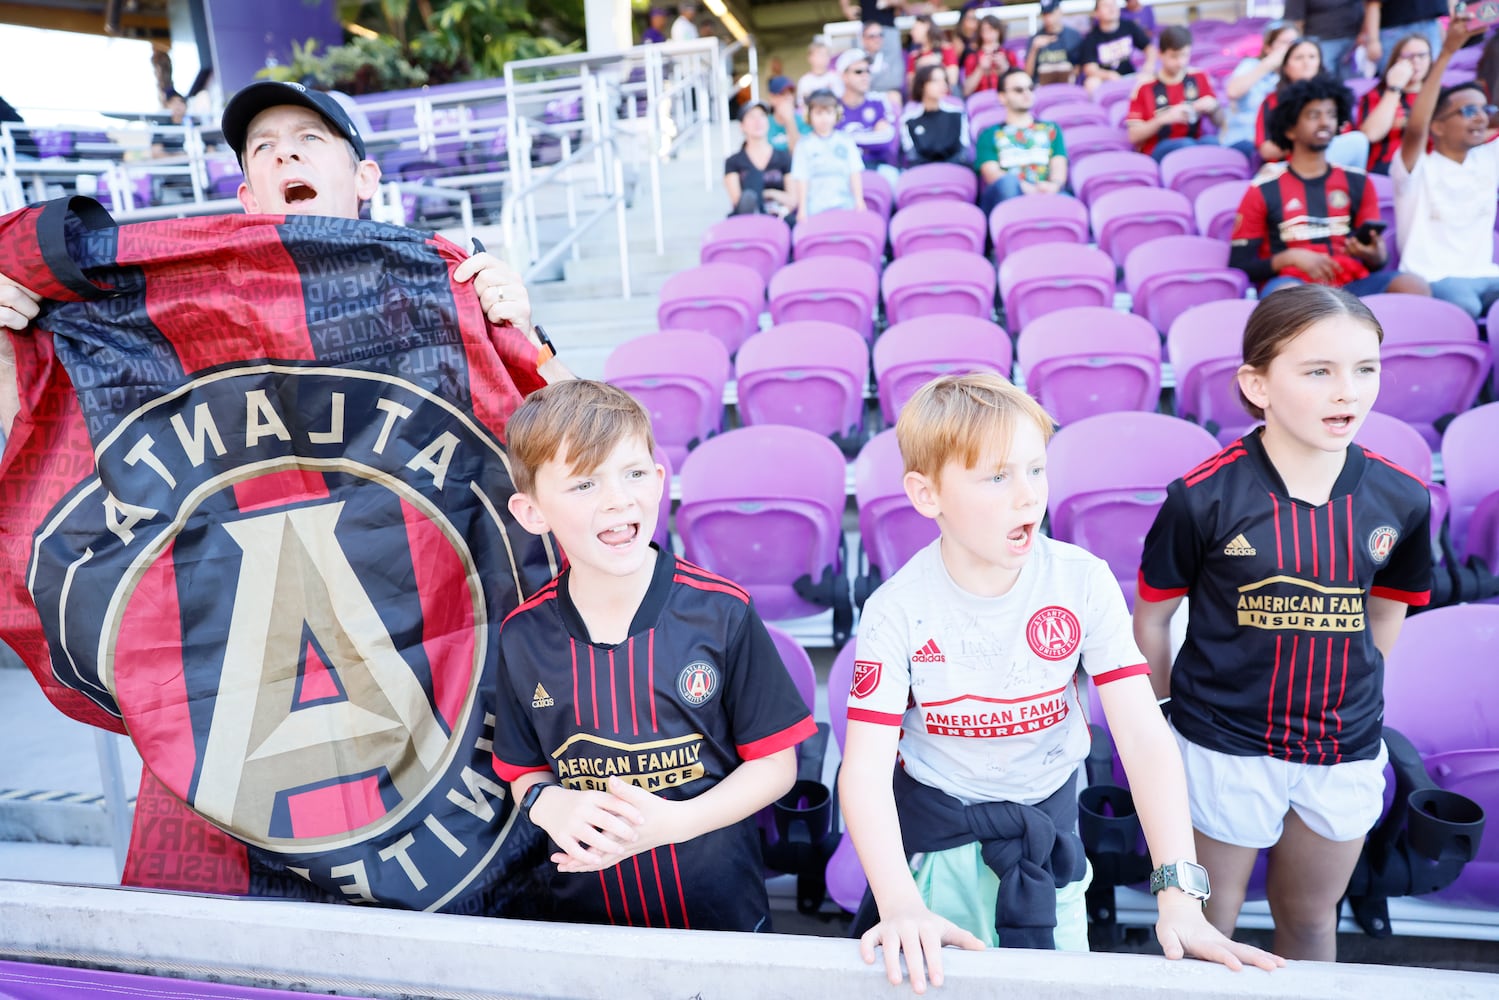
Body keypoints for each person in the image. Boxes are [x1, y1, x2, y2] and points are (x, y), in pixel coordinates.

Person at [839, 372, 1284, 993]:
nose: (1028, 497)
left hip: (1049, 837)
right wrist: (900, 902)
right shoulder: (895, 608)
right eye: (997, 477)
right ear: (926, 493)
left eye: (1035, 470)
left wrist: (1180, 893)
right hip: (937, 851)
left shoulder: (1081, 581)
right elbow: (862, 770)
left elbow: (1141, 734)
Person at [1134, 284, 1433, 961]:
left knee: (1307, 918)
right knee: (1211, 923)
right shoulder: (1200, 498)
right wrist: (1160, 721)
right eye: (1317, 371)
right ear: (1256, 384)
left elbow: (1384, 608)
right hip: (1222, 744)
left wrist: (1355, 689)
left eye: (1365, 369)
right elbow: (1152, 619)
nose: (1346, 392)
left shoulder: (1403, 498)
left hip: (1343, 746)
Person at [0, 79, 563, 436]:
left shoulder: (450, 282)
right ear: (247, 198)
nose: (285, 151)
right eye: (263, 147)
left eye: (310, 138)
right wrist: (6, 355)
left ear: (364, 177)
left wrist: (524, 338)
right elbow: (74, 445)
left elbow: (576, 445)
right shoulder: (194, 306)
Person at [493, 379, 815, 931]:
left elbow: (777, 765)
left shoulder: (722, 612)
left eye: (634, 473)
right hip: (585, 922)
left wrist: (677, 822)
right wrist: (547, 805)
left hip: (721, 914)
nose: (618, 498)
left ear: (660, 480)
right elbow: (522, 768)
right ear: (532, 512)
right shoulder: (524, 635)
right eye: (584, 484)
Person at [1231, 76, 1429, 298]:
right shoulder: (1264, 188)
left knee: (1413, 286)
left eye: (1332, 115)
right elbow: (1240, 263)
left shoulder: (1358, 181)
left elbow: (1375, 262)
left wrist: (1376, 255)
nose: (1325, 122)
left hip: (1351, 283)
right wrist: (1290, 258)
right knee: (1289, 295)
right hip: (1293, 284)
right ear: (1290, 130)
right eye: (1313, 116)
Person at [1392, 17, 1499, 318]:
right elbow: (1416, 128)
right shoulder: (1415, 168)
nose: (1480, 117)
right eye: (1467, 111)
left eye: (1485, 110)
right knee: (1464, 305)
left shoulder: (1489, 158)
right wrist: (1448, 51)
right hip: (1434, 279)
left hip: (1487, 275)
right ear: (1437, 126)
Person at [1254, 40, 1371, 171]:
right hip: (1286, 165)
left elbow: (1343, 133)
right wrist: (1305, 140)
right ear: (1286, 67)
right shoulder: (1272, 101)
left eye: (1312, 57)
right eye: (1299, 57)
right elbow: (1266, 150)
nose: (1306, 63)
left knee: (1358, 141)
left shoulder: (1333, 98)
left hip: (1329, 158)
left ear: (1319, 64)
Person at [974, 68, 1067, 216]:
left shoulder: (1052, 129)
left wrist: (1052, 186)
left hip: (1045, 192)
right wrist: (1027, 189)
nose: (1026, 94)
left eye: (1030, 88)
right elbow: (992, 174)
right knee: (1008, 184)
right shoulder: (988, 134)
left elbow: (1059, 167)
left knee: (1068, 202)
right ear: (1002, 97)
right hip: (1007, 197)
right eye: (1018, 90)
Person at [1127, 24, 1222, 161]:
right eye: (1174, 57)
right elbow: (1133, 136)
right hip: (1157, 149)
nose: (1180, 62)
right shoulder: (1144, 87)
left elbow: (1220, 121)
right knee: (1186, 145)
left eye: (1185, 55)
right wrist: (1162, 119)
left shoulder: (1199, 77)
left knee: (1212, 142)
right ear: (1161, 54)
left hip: (1195, 142)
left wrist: (1214, 106)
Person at [1220, 21, 1299, 160]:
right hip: (1245, 137)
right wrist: (1268, 64)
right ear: (1268, 47)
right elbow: (1233, 92)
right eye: (1284, 43)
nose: (1289, 48)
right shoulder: (1251, 65)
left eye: (1294, 43)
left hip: (1277, 141)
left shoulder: (1294, 74)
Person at [1357, 32, 1431, 174]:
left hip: (1431, 164)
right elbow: (1371, 134)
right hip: (1387, 166)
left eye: (1422, 55)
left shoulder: (1440, 94)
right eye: (1409, 56)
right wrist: (1394, 88)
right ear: (1396, 60)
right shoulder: (1376, 94)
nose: (1416, 61)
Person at [790, 90, 866, 219]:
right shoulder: (803, 145)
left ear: (837, 114)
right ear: (809, 115)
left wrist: (859, 200)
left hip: (845, 205)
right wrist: (802, 209)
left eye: (829, 112)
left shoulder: (846, 141)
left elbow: (855, 172)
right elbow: (802, 178)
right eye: (818, 113)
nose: (824, 118)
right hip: (815, 209)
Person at [836, 48, 902, 176]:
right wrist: (871, 135)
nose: (865, 75)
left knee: (892, 178)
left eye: (868, 71)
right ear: (844, 76)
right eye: (858, 71)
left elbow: (887, 138)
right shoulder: (832, 106)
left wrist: (847, 136)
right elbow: (829, 145)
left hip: (878, 167)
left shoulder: (880, 100)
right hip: (842, 171)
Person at [724, 101, 795, 216]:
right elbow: (738, 201)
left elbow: (792, 199)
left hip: (780, 217)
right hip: (748, 218)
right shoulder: (733, 162)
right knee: (753, 178)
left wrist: (769, 193)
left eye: (762, 116)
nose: (758, 121)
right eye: (751, 117)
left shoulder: (784, 157)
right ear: (742, 126)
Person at [1079, 0, 1156, 96]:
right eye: (1106, 6)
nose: (1111, 8)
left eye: (1114, 4)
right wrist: (1108, 75)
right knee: (1091, 83)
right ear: (1097, 13)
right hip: (1106, 80)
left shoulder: (1129, 26)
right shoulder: (1091, 38)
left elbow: (1149, 48)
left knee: (1149, 77)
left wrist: (1149, 65)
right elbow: (1089, 68)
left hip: (1129, 75)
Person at [901, 64, 971, 166]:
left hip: (954, 172)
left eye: (944, 80)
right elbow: (911, 155)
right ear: (922, 85)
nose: (942, 85)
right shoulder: (909, 120)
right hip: (922, 175)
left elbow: (963, 151)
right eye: (935, 80)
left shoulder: (958, 115)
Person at [1285, 0, 1366, 80]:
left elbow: (1369, 5)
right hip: (1321, 42)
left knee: (1354, 81)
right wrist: (1301, 47)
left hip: (1353, 40)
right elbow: (1295, 22)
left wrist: (1364, 33)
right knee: (1326, 78)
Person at [1361, 0, 1446, 75]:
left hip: (1429, 22)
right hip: (1394, 27)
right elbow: (1373, 4)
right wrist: (1373, 40)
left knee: (1431, 75)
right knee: (1395, 75)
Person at [1026, 0, 1085, 87]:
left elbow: (1080, 67)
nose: (1048, 18)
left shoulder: (1073, 36)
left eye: (1051, 13)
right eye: (1045, 14)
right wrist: (1034, 49)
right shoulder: (1035, 39)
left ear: (1060, 11)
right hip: (1041, 87)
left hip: (1068, 85)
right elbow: (1027, 75)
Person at [961, 16, 1011, 97]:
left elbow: (1020, 83)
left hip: (1006, 98)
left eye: (992, 29)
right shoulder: (972, 58)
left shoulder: (1009, 55)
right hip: (981, 100)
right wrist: (980, 68)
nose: (989, 33)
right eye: (984, 30)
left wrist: (1005, 68)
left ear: (999, 31)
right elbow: (966, 91)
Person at [907, 14, 960, 89]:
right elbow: (911, 87)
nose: (911, 33)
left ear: (926, 26)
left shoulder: (945, 49)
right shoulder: (914, 56)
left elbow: (953, 80)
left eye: (915, 29)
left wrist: (934, 62)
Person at [861, 20, 908, 100]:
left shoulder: (892, 56)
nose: (877, 39)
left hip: (887, 98)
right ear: (864, 39)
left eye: (880, 35)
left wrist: (870, 81)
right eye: (872, 36)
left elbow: (895, 82)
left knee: (894, 96)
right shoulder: (857, 58)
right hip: (864, 99)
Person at [765, 75, 810, 152]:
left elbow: (799, 154)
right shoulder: (764, 123)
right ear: (772, 98)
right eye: (783, 94)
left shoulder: (804, 121)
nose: (788, 97)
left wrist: (790, 121)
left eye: (791, 93)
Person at [798, 38, 843, 106]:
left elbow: (840, 101)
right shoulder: (805, 81)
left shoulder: (835, 78)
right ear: (810, 57)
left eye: (826, 54)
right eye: (820, 54)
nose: (823, 58)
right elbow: (801, 104)